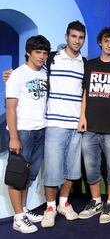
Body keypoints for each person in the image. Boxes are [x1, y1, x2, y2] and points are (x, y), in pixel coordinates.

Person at [77, 27, 110, 224]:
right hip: (90, 125)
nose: (109, 45)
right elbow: (85, 93)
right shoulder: (89, 65)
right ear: (100, 42)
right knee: (91, 167)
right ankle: (96, 200)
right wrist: (82, 117)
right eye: (106, 41)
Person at [40, 21, 87, 229]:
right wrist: (11, 74)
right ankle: (50, 208)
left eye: (81, 37)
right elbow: (31, 71)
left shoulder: (85, 63)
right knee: (52, 169)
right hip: (54, 123)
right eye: (74, 36)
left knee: (71, 169)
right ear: (66, 36)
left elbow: (85, 93)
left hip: (76, 125)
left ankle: (63, 203)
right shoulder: (51, 58)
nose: (77, 41)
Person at [5, 35, 50, 234]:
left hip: (40, 129)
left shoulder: (45, 73)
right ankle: (17, 218)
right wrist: (14, 136)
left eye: (45, 53)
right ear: (28, 53)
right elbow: (11, 107)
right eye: (38, 52)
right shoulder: (17, 75)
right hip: (22, 131)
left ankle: (23, 210)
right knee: (17, 175)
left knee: (29, 175)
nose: (42, 57)